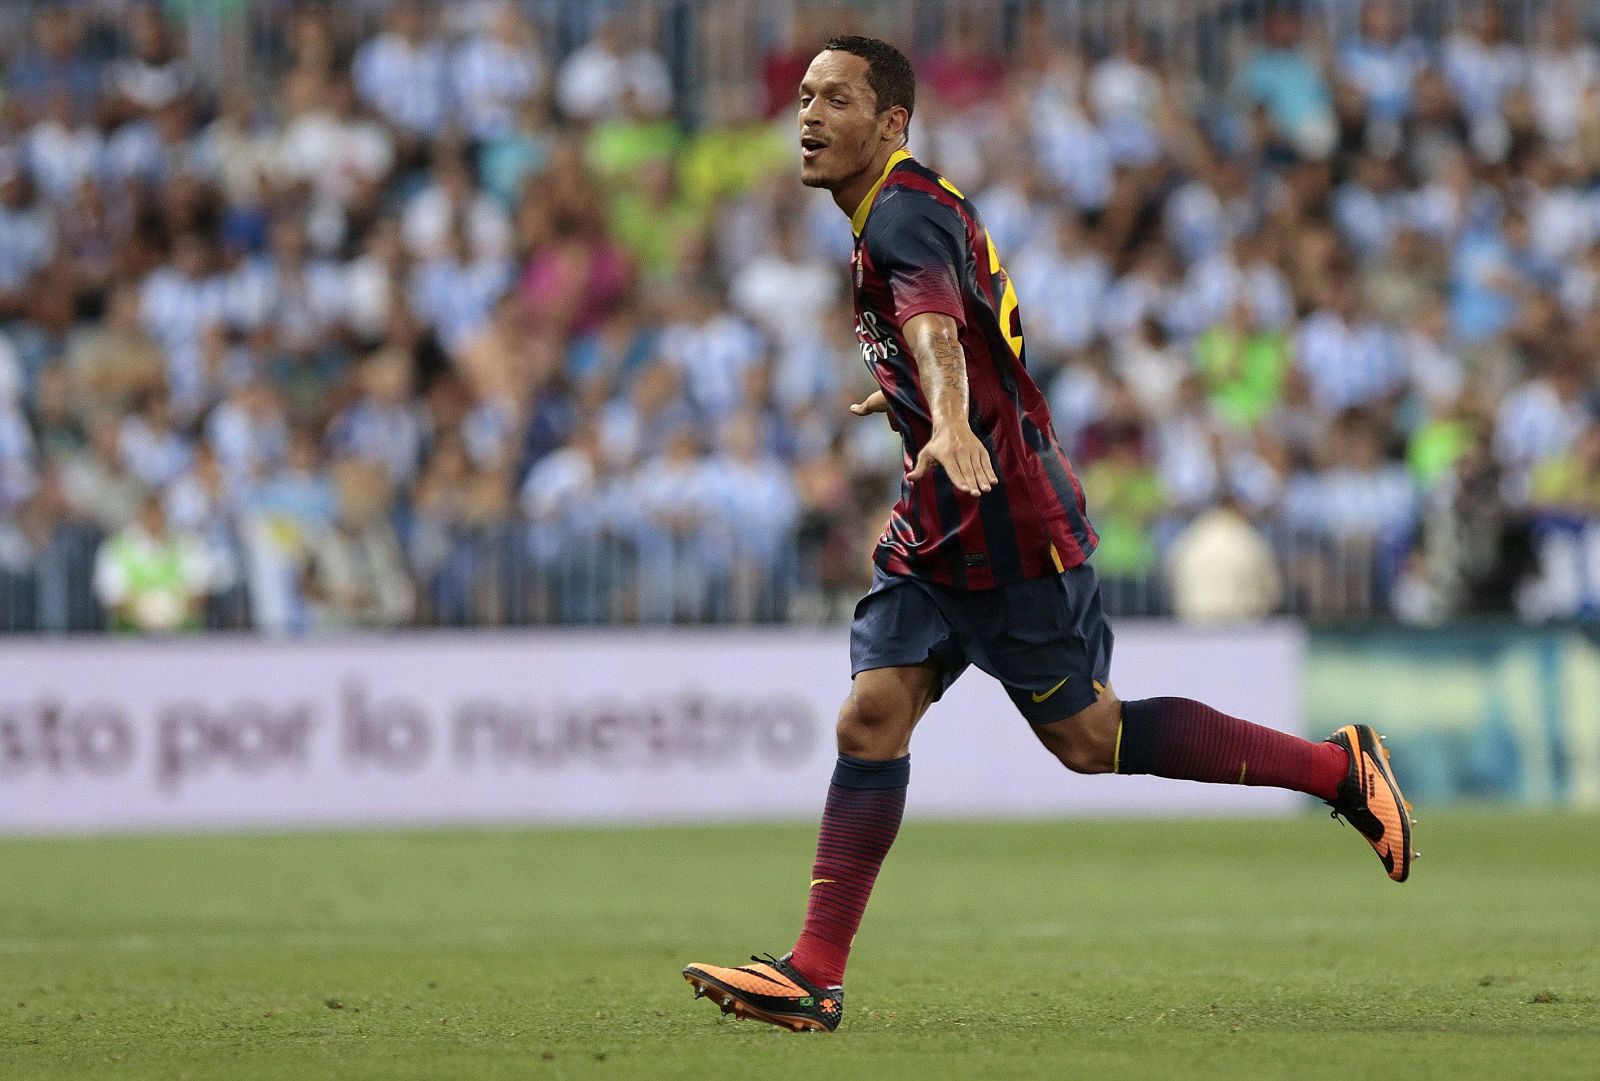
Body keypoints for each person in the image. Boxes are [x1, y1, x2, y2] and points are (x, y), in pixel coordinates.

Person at [682, 36, 1416, 1035]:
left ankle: (1339, 769)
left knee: (1089, 737)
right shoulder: (902, 209)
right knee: (870, 718)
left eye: (836, 100)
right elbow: (949, 333)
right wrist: (903, 396)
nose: (807, 116)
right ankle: (814, 970)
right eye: (804, 97)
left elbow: (940, 331)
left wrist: (941, 414)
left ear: (891, 121)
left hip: (1003, 519)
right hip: (935, 517)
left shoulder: (899, 216)